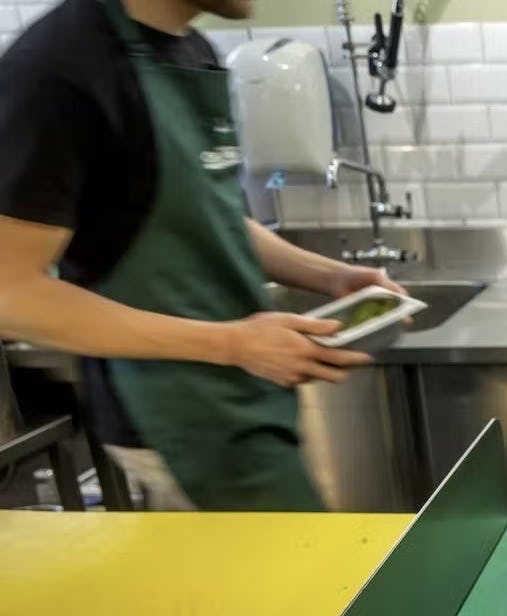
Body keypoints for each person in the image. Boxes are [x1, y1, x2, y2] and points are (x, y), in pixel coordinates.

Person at [0, 0, 405, 510]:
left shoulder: (189, 49)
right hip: (175, 416)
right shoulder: (59, 68)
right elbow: (11, 293)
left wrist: (331, 276)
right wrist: (234, 344)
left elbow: (207, 211)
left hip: (241, 400)